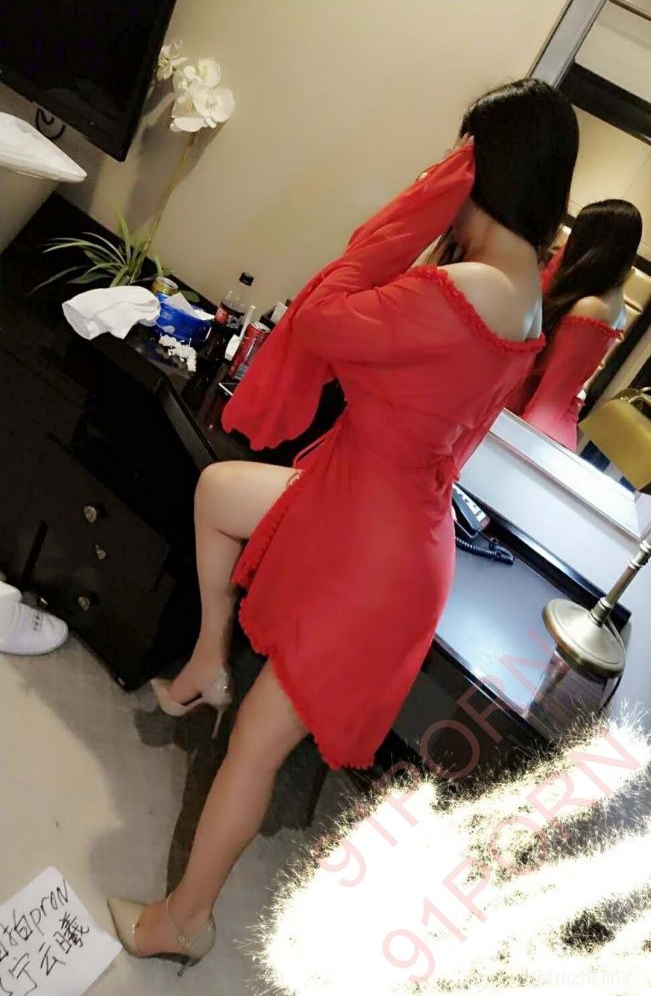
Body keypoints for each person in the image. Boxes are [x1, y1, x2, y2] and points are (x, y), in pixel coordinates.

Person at [108, 78, 579, 968]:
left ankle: (184, 922)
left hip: (372, 548)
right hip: (380, 511)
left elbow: (323, 318)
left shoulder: (471, 284)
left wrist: (411, 212)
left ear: (481, 165)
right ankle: (207, 659)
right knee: (219, 495)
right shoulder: (525, 291)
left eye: (459, 156)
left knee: (253, 749)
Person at [507, 199, 643, 449]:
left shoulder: (594, 307)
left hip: (535, 426)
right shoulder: (605, 295)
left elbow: (550, 399)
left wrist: (516, 445)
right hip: (529, 415)